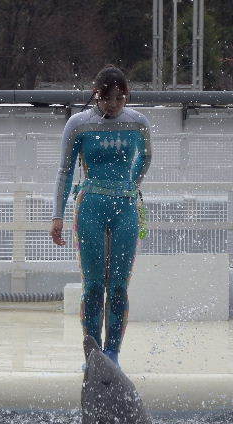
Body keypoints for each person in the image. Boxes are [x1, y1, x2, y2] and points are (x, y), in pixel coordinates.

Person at [50, 65, 152, 368]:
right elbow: (65, 170)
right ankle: (92, 352)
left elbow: (146, 157)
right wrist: (57, 215)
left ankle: (113, 353)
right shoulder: (79, 124)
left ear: (127, 97)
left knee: (119, 285)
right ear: (97, 95)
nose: (114, 105)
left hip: (125, 207)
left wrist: (131, 183)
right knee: (93, 284)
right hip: (91, 204)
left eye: (120, 99)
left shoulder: (138, 122)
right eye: (108, 98)